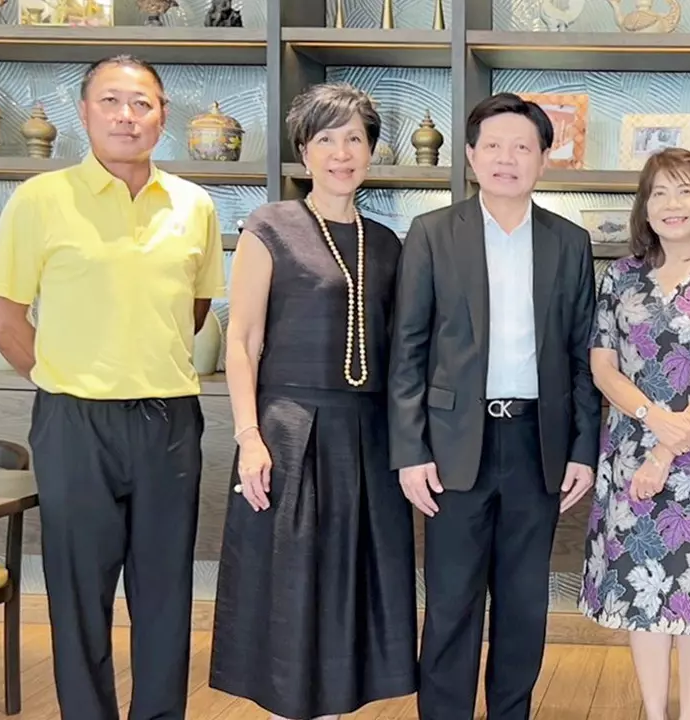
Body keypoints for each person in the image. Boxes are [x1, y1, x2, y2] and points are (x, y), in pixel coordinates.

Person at [0, 55, 223, 719]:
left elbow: (194, 311)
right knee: (79, 595)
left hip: (170, 421)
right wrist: (68, 374)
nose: (126, 116)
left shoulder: (195, 206)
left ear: (163, 117)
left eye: (142, 103)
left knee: (166, 595)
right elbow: (1, 320)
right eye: (110, 101)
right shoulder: (40, 199)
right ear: (83, 112)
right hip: (74, 423)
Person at [387, 92, 601, 720]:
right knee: (451, 602)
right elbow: (408, 350)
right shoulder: (432, 233)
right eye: (494, 146)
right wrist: (410, 450)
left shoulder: (569, 241)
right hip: (454, 444)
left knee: (524, 604)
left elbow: (582, 354)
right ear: (472, 156)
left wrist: (583, 449)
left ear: (543, 159)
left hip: (538, 444)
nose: (508, 159)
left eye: (523, 147)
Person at [207, 82, 418, 720]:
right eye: (326, 139)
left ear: (372, 152)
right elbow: (242, 341)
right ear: (304, 151)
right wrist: (248, 436)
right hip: (288, 431)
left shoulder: (388, 242)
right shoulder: (269, 226)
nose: (341, 153)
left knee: (351, 590)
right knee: (290, 586)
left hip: (367, 435)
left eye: (354, 138)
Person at [579, 147, 690, 720]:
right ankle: (655, 713)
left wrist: (665, 448)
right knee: (643, 593)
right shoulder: (620, 277)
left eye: (684, 190)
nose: (671, 204)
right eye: (659, 192)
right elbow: (603, 366)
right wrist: (650, 418)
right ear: (645, 206)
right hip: (630, 452)